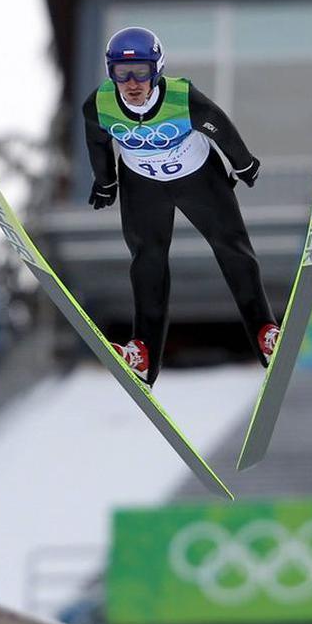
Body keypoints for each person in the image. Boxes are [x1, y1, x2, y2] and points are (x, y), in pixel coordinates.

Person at [83, 25, 280, 386]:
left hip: (198, 178)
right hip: (142, 185)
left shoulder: (182, 97)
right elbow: (97, 143)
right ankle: (142, 353)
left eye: (141, 71)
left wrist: (242, 162)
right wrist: (106, 181)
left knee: (232, 249)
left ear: (157, 69)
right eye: (121, 73)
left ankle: (265, 333)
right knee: (148, 262)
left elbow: (218, 125)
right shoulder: (100, 104)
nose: (131, 83)